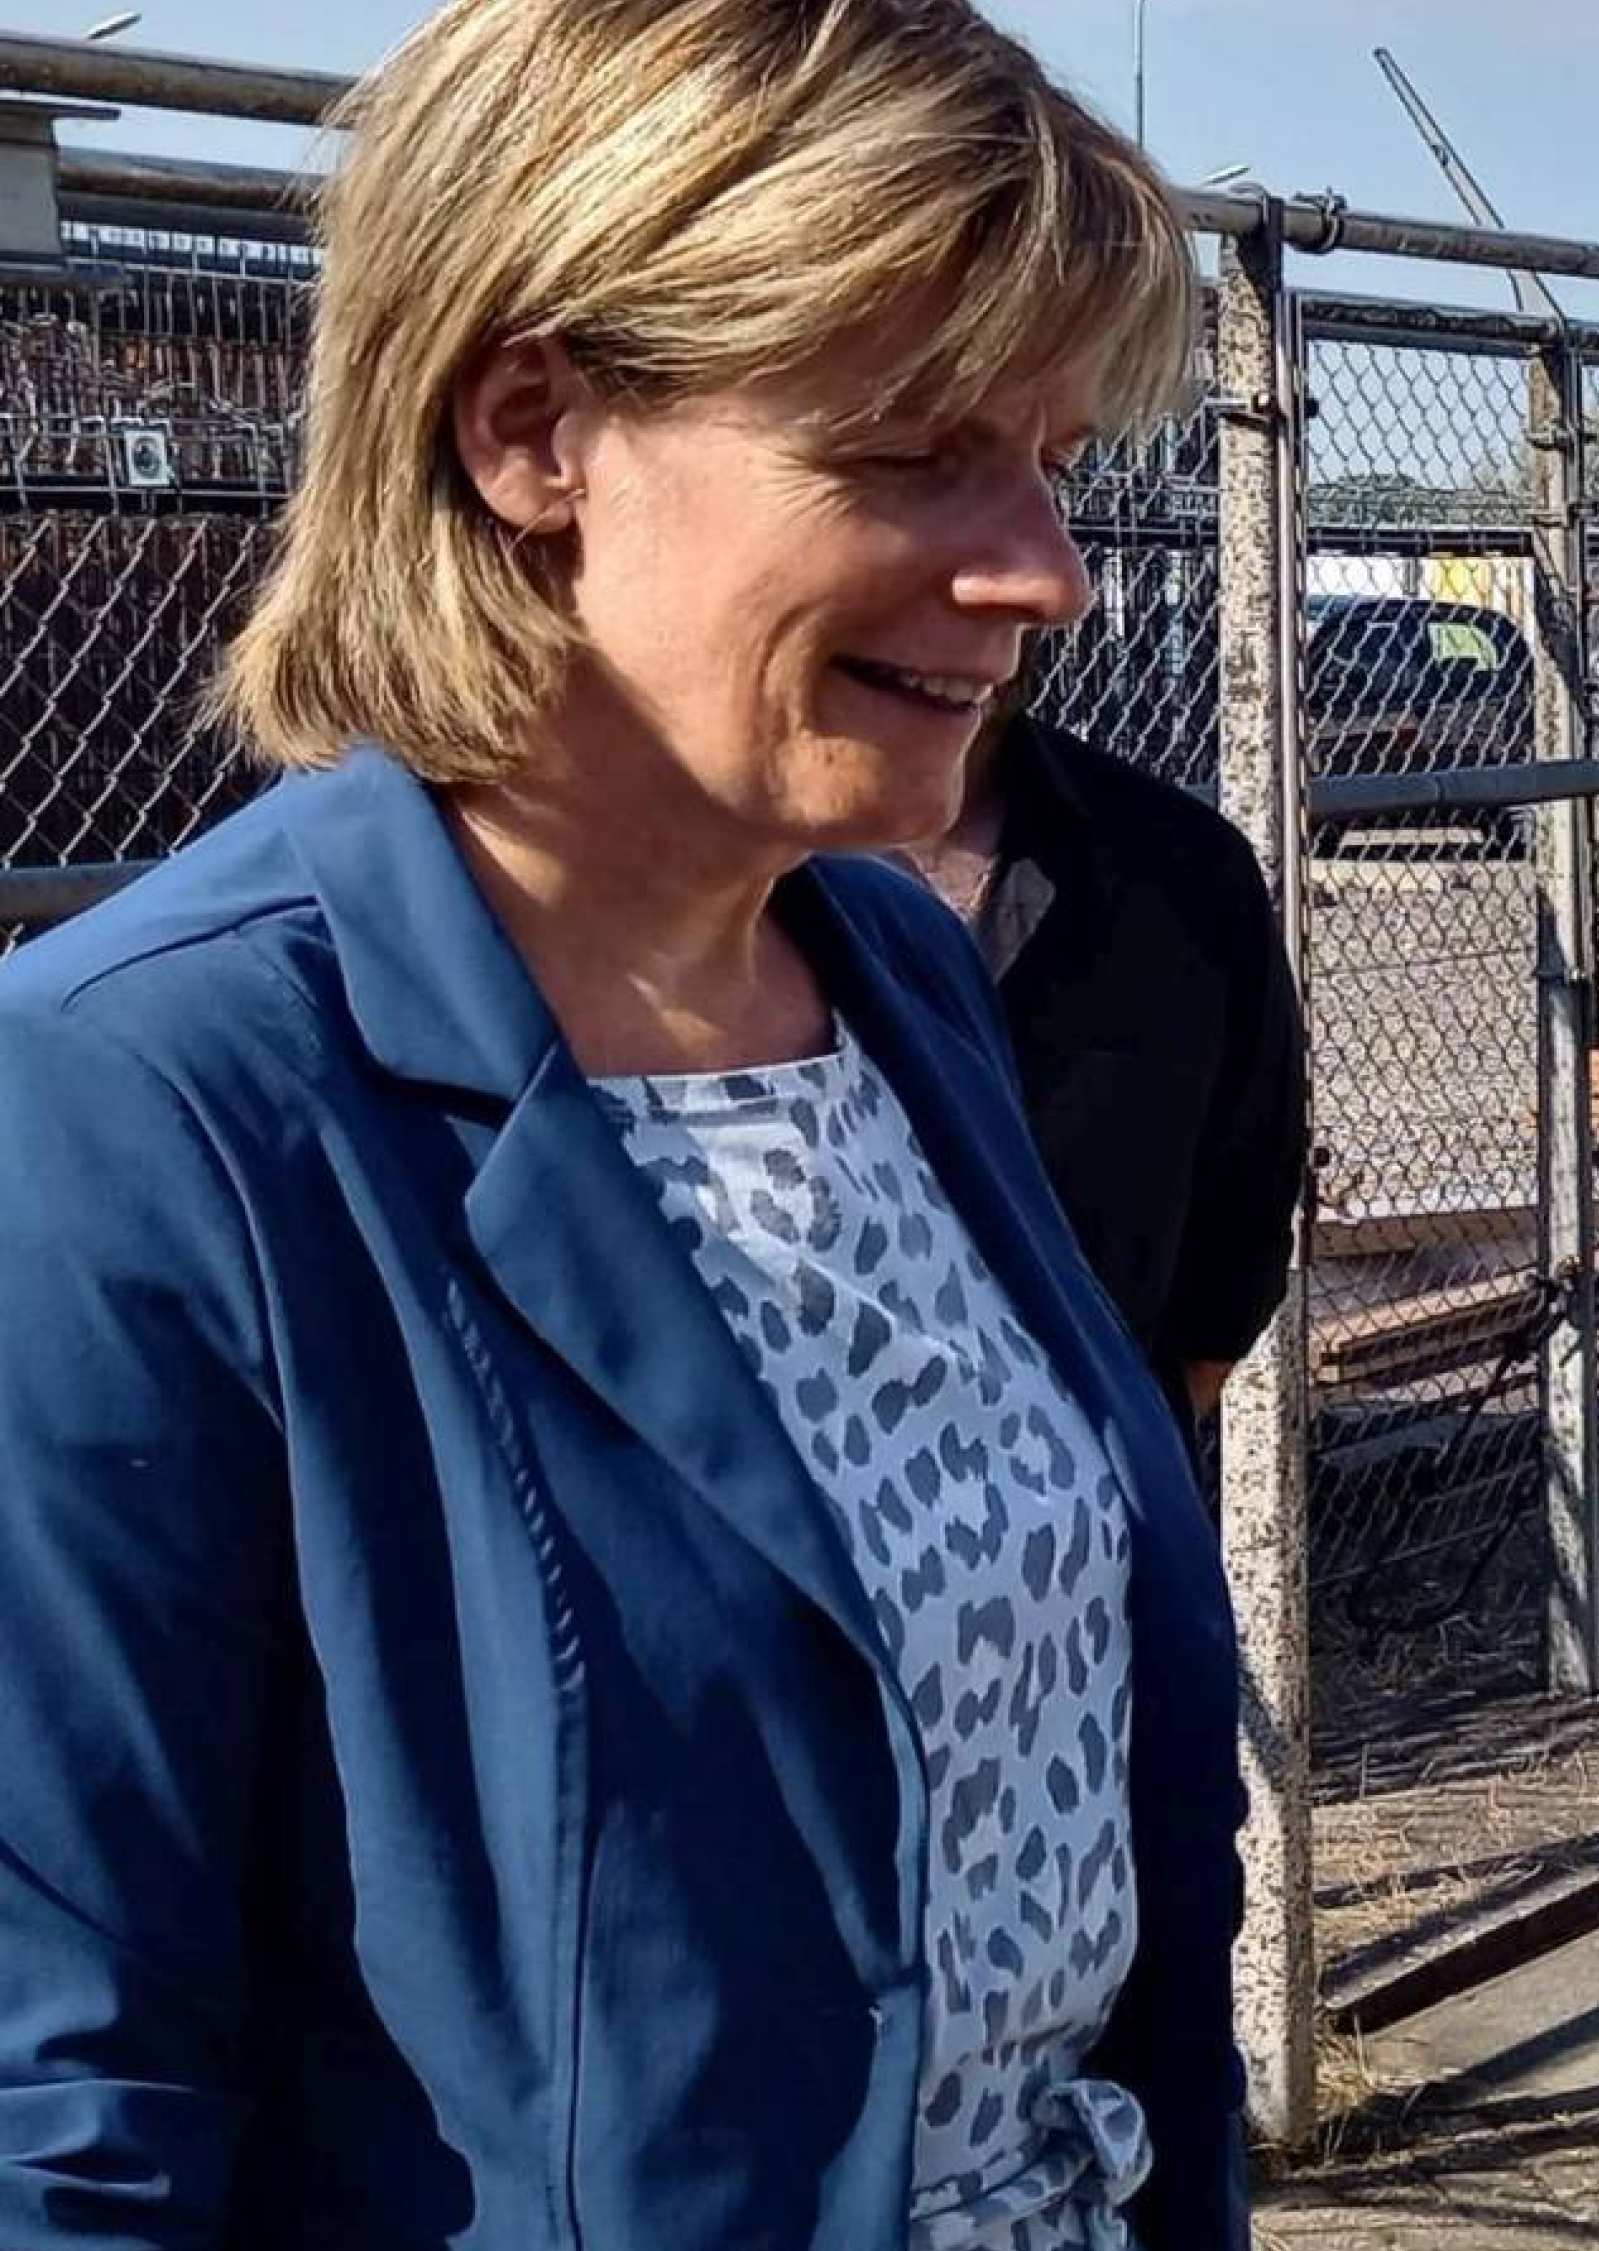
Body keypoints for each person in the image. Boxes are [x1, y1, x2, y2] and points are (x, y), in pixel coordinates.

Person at [0, 2, 1250, 2244]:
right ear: (529, 428)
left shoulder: (894, 986)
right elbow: (62, 2098)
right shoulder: (144, 1107)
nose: (1042, 566)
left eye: (1052, 458)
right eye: (912, 451)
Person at [895, 673, 1309, 1432]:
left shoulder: (1181, 870)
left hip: (1096, 1505)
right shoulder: (691, 871)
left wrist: (1126, 1448)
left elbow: (1244, 1222)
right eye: (910, 546)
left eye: (1047, 545)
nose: (1017, 585)